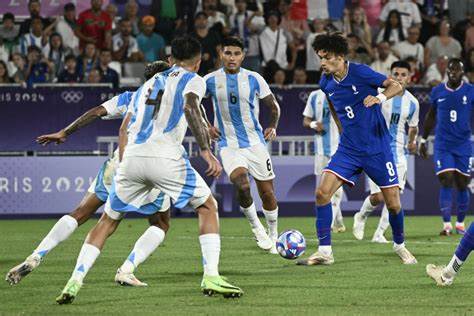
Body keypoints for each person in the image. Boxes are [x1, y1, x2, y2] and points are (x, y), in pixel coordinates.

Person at [55, 36, 243, 304]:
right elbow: (190, 105)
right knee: (207, 206)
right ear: (198, 61)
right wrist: (204, 149)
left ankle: (75, 280)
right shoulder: (194, 79)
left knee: (107, 221)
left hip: (131, 159)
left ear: (171, 58)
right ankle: (211, 275)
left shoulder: (149, 83)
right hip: (165, 158)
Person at [5, 61, 172, 287]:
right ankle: (127, 269)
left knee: (81, 212)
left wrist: (65, 132)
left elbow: (95, 112)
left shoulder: (130, 97)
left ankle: (36, 255)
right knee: (160, 223)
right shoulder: (173, 99)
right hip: (150, 167)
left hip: (117, 165)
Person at [296, 33, 417, 266]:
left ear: (340, 57)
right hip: (349, 149)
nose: (322, 62)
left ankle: (400, 246)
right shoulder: (325, 82)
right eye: (320, 57)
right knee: (322, 194)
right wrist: (342, 129)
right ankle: (325, 251)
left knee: (393, 203)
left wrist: (379, 98)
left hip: (377, 148)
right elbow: (333, 105)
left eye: (327, 57)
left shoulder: (360, 72)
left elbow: (396, 85)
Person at [203, 37, 280, 253]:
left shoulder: (254, 78)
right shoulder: (209, 80)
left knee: (267, 194)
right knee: (242, 185)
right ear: (221, 54)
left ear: (243, 56)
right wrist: (206, 125)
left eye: (236, 54)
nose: (232, 58)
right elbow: (192, 102)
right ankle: (257, 228)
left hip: (256, 143)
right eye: (228, 53)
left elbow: (273, 106)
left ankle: (273, 234)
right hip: (228, 145)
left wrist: (272, 126)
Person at [353, 61, 419, 243]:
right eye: (396, 74)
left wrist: (413, 141)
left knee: (394, 196)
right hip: (376, 151)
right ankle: (361, 216)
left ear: (410, 77)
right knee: (378, 196)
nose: (399, 77)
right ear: (390, 76)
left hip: (398, 154)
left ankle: (379, 233)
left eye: (403, 74)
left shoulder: (412, 103)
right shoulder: (379, 95)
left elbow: (413, 126)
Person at [419, 58, 473, 236]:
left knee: (462, 183)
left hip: (464, 144)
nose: (453, 73)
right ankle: (446, 225)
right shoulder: (438, 91)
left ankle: (460, 224)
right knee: (446, 178)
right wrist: (423, 140)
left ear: (462, 73)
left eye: (457, 70)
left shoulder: (470, 91)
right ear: (447, 72)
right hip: (443, 144)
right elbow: (430, 116)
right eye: (451, 70)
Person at [302, 88, 344, 233]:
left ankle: (330, 223)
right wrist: (313, 124)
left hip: (339, 148)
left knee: (337, 188)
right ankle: (338, 221)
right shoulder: (314, 95)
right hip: (320, 150)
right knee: (325, 188)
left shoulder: (342, 93)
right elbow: (306, 120)